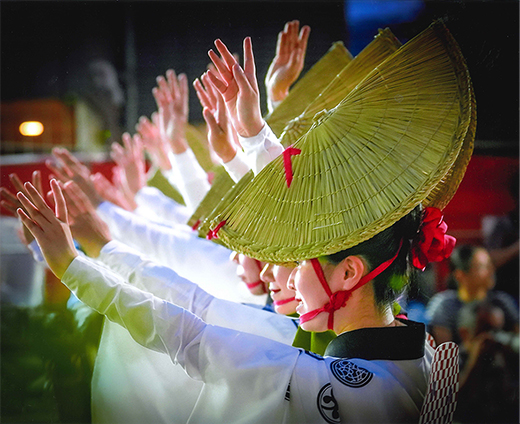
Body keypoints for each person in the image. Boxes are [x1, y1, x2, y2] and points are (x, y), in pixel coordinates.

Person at [17, 21, 473, 423]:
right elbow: (193, 299)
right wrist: (253, 132)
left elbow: (188, 327)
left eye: (295, 259)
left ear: (351, 271)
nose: (285, 272)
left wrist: (80, 261)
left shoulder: (316, 378)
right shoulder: (420, 359)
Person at [426, 244, 519, 345]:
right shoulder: (444, 306)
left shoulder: (502, 301)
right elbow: (444, 353)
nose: (491, 271)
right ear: (460, 275)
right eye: (483, 267)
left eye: (490, 265)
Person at [455, 299, 519, 423]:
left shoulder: (500, 356)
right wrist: (474, 362)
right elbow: (450, 403)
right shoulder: (453, 361)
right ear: (465, 334)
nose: (493, 337)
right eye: (486, 330)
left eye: (497, 330)